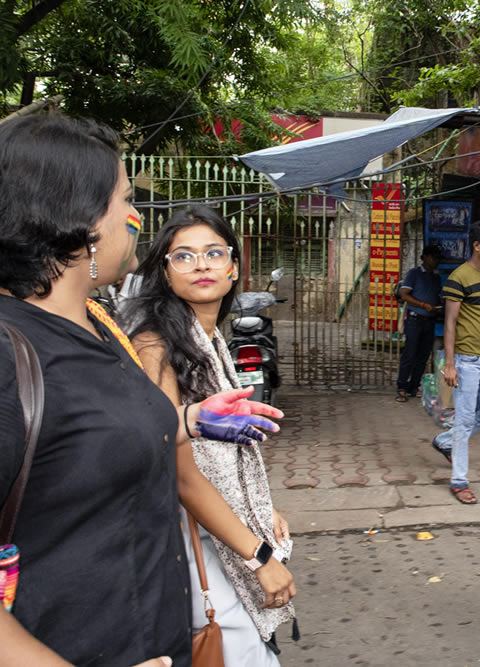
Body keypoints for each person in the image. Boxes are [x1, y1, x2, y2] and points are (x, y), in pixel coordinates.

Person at [0, 114, 282, 667]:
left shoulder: (98, 321)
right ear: (77, 216)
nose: (135, 217)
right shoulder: (10, 356)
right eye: (125, 198)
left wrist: (188, 420)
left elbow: (85, 441)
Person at [124, 206, 296, 666]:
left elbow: (222, 453)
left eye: (213, 253)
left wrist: (264, 507)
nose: (201, 265)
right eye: (184, 256)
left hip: (219, 530)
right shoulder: (154, 346)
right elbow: (180, 473)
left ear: (234, 266)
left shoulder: (210, 338)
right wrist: (260, 558)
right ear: (164, 270)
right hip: (191, 540)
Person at [431, 221, 480, 504]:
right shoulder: (458, 278)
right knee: (464, 421)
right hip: (466, 360)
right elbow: (450, 323)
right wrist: (450, 365)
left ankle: (444, 442)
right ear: (477, 246)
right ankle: (459, 481)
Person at [396, 245, 442, 402]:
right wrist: (423, 305)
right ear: (424, 258)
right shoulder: (414, 273)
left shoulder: (436, 277)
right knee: (409, 354)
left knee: (422, 357)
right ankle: (402, 387)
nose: (436, 261)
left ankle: (413, 386)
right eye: (433, 257)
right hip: (415, 319)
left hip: (429, 321)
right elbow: (404, 295)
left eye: (437, 258)